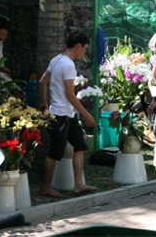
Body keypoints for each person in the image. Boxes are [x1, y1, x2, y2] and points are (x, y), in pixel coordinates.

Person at [38, 31, 98, 197]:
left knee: (80, 146)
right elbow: (71, 95)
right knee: (55, 152)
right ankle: (45, 187)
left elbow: (42, 81)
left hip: (67, 115)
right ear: (78, 46)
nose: (84, 52)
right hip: (60, 115)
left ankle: (79, 184)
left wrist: (44, 103)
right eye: (84, 49)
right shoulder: (68, 65)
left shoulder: (56, 59)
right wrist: (86, 114)